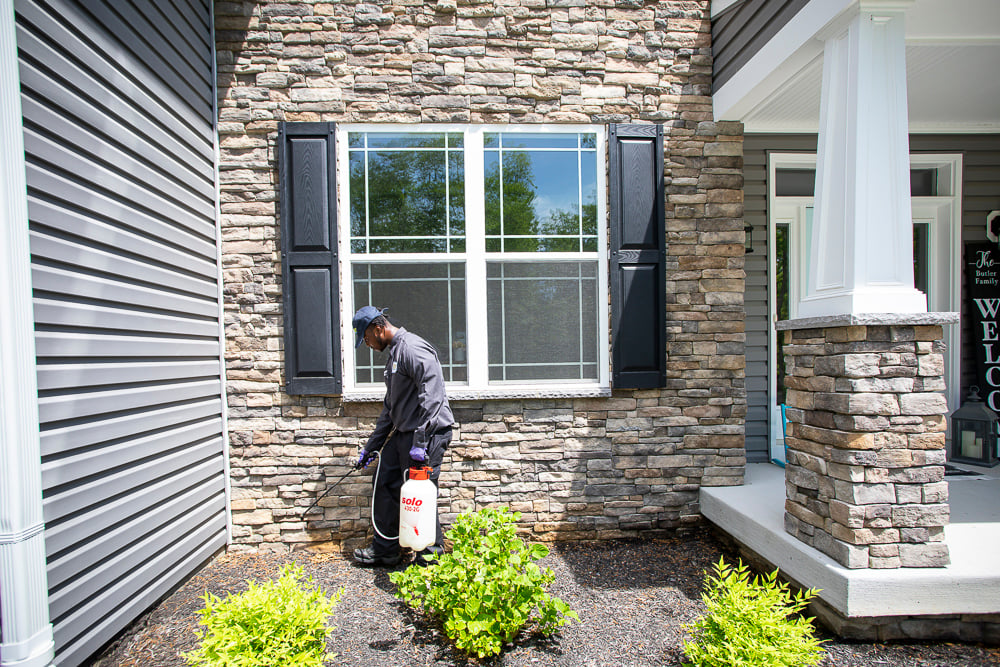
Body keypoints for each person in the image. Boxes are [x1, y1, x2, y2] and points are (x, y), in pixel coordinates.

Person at [351, 305, 455, 567]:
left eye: (366, 338)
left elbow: (432, 395)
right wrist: (371, 448)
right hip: (404, 434)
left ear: (378, 328)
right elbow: (390, 409)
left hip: (426, 434)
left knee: (419, 492)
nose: (368, 344)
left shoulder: (411, 348)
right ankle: (386, 549)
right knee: (384, 482)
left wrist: (421, 441)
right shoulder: (394, 356)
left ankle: (431, 557)